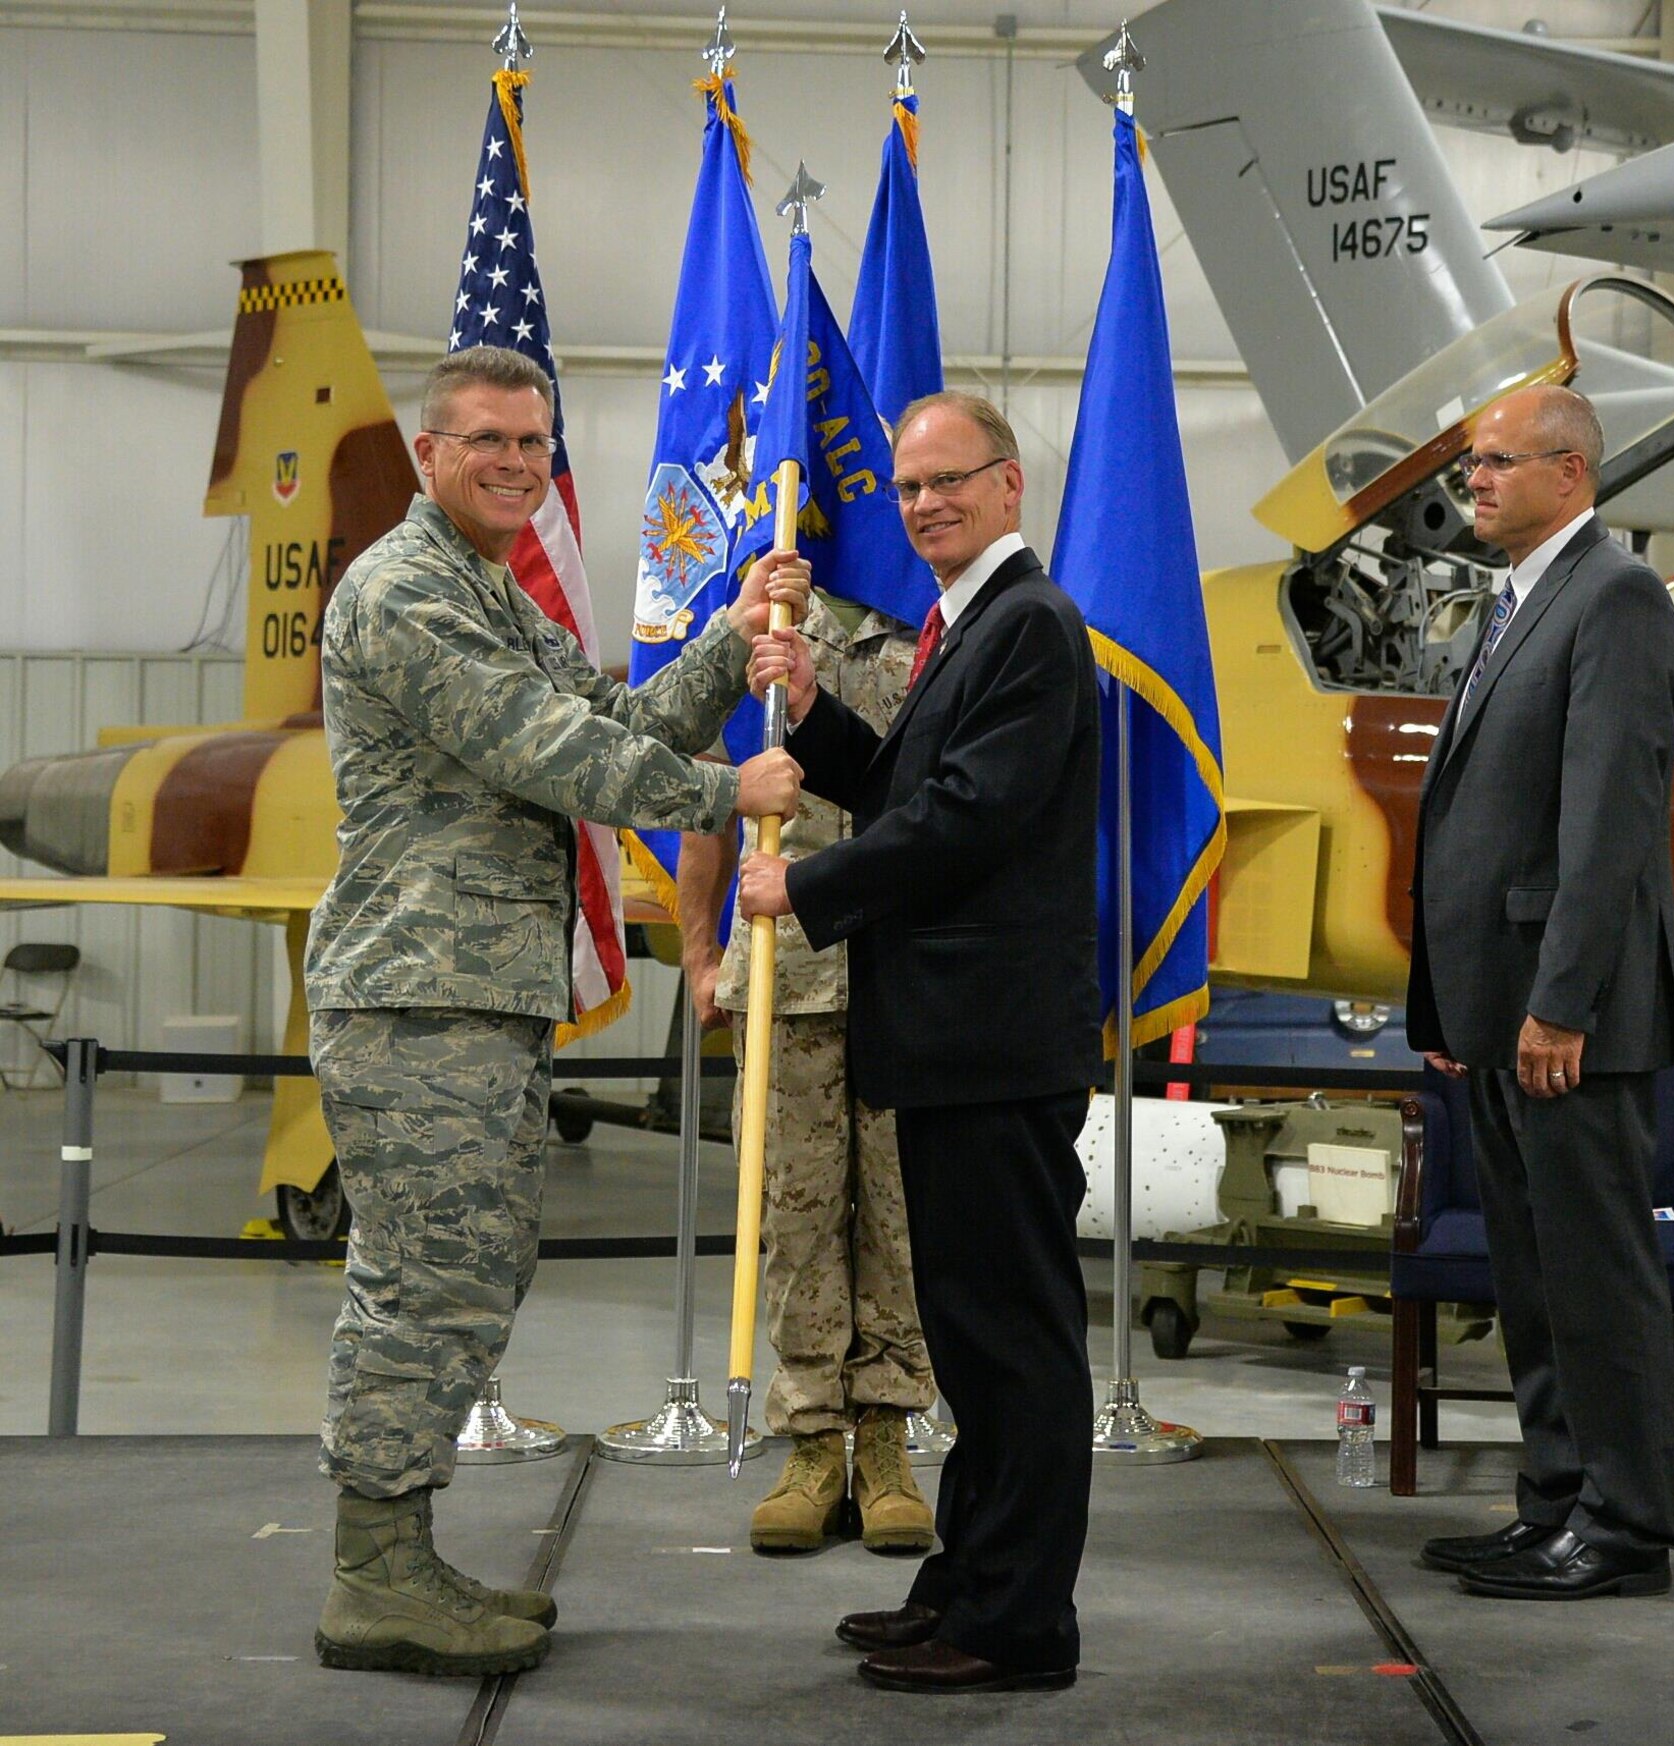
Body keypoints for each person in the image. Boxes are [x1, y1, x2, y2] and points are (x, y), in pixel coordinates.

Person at [306, 344, 803, 1677]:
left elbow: (612, 712)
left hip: (473, 995)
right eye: (490, 442)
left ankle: (397, 1552)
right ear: (432, 455)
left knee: (462, 1278)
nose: (519, 464)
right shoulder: (408, 589)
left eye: (536, 443)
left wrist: (734, 632)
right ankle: (375, 1574)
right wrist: (723, 798)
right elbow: (550, 751)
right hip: (418, 994)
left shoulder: (488, 590)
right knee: (423, 1286)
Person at [739, 390, 1100, 1692]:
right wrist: (810, 701)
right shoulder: (970, 630)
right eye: (907, 486)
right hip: (954, 1040)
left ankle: (1019, 1622)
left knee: (1014, 1341)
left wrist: (810, 890)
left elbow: (967, 818)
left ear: (1011, 487)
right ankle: (966, 1578)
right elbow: (907, 785)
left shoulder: (1034, 629)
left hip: (994, 1044)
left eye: (952, 478)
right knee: (972, 1339)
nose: (926, 502)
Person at [1406, 383, 1674, 1601]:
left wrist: (1559, 1002)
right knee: (1532, 1274)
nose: (1470, 480)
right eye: (1468, 462)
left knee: (1593, 1273)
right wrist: (1460, 1004)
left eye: (1493, 461)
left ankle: (1623, 1528)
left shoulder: (1613, 598)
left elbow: (1606, 826)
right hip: (1504, 1006)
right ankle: (1556, 1501)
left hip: (1569, 1014)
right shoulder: (1517, 601)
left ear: (1570, 474)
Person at [677, 594, 937, 1556]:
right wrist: (700, 952)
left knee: (902, 1215)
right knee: (792, 1214)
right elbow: (709, 797)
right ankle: (811, 1441)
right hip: (786, 966)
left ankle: (886, 1439)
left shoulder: (941, 622)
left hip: (904, 966)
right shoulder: (773, 610)